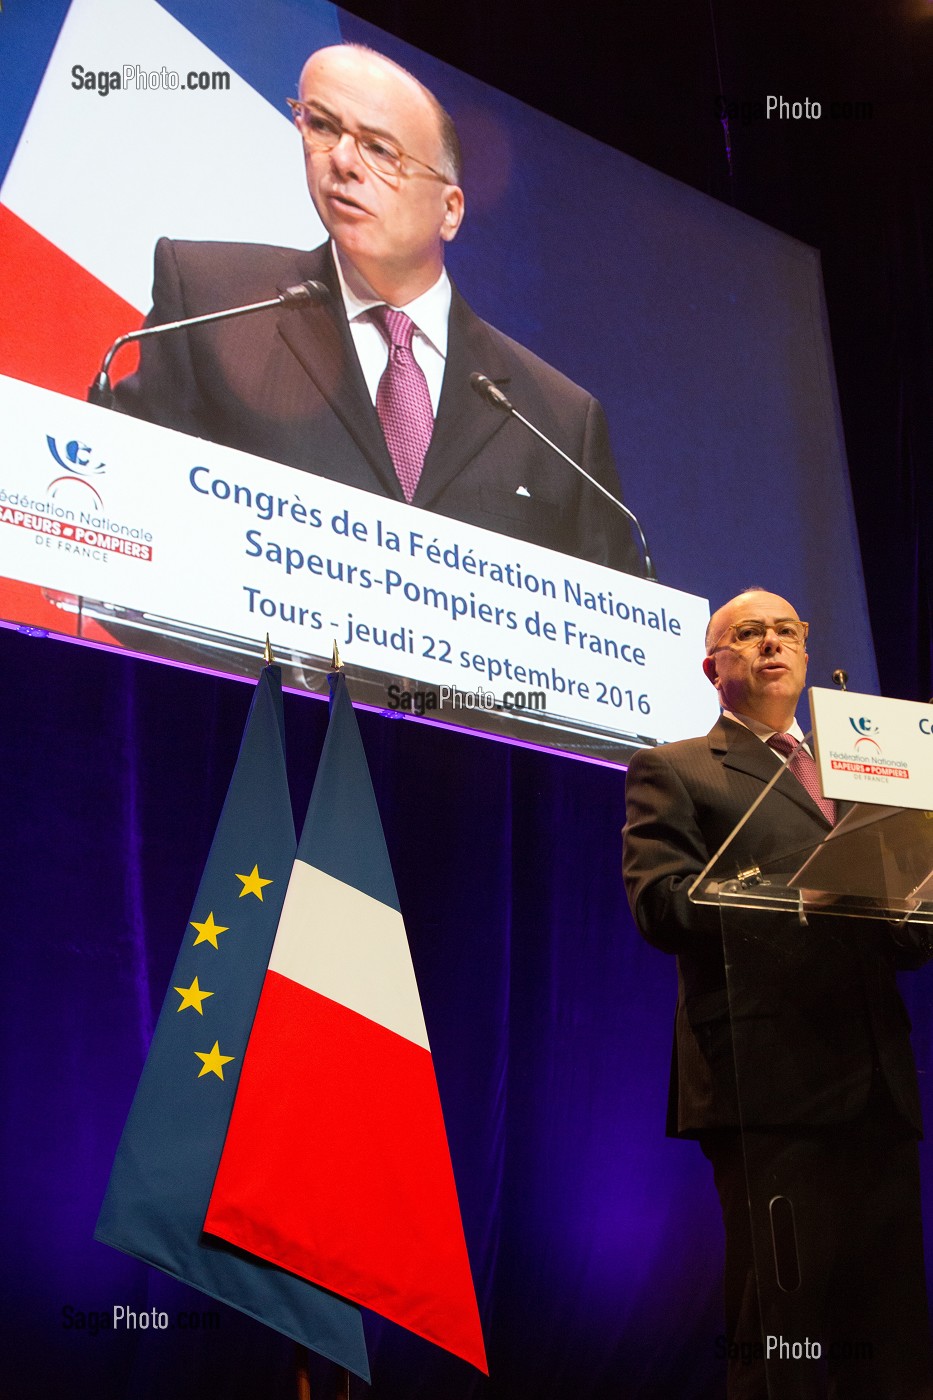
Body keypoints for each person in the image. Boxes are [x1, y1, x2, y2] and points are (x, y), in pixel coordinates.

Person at [114, 44, 642, 574]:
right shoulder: (210, 299)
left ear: (449, 210)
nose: (341, 162)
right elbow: (126, 526)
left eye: (380, 150)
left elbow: (615, 626)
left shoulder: (558, 419)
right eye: (322, 126)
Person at [622, 587, 933, 1399]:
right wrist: (802, 895)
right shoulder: (676, 768)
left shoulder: (863, 771)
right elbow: (661, 905)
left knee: (891, 1334)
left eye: (786, 630)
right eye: (748, 633)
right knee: (786, 1334)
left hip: (874, 1085)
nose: (771, 644)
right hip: (767, 1087)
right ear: (711, 666)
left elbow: (898, 939)